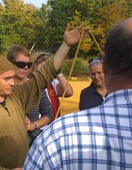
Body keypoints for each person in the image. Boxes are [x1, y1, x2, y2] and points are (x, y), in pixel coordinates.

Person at [0, 23, 88, 169]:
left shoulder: (15, 96)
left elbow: (44, 74)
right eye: (7, 79)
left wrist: (66, 45)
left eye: (12, 77)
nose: (12, 82)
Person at [24, 17, 132, 170]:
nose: (96, 77)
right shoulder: (32, 88)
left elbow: (65, 93)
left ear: (105, 67)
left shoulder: (60, 136)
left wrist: (59, 73)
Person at [7, 45, 53, 147]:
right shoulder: (2, 87)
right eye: (21, 64)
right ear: (10, 64)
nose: (26, 67)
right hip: (8, 141)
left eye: (29, 64)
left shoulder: (36, 86)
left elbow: (48, 114)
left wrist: (33, 125)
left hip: (33, 142)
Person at [33, 53, 73, 120]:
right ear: (35, 66)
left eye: (49, 68)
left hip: (52, 123)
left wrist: (58, 73)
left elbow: (68, 92)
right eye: (43, 67)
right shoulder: (30, 82)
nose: (46, 70)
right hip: (38, 124)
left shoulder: (52, 83)